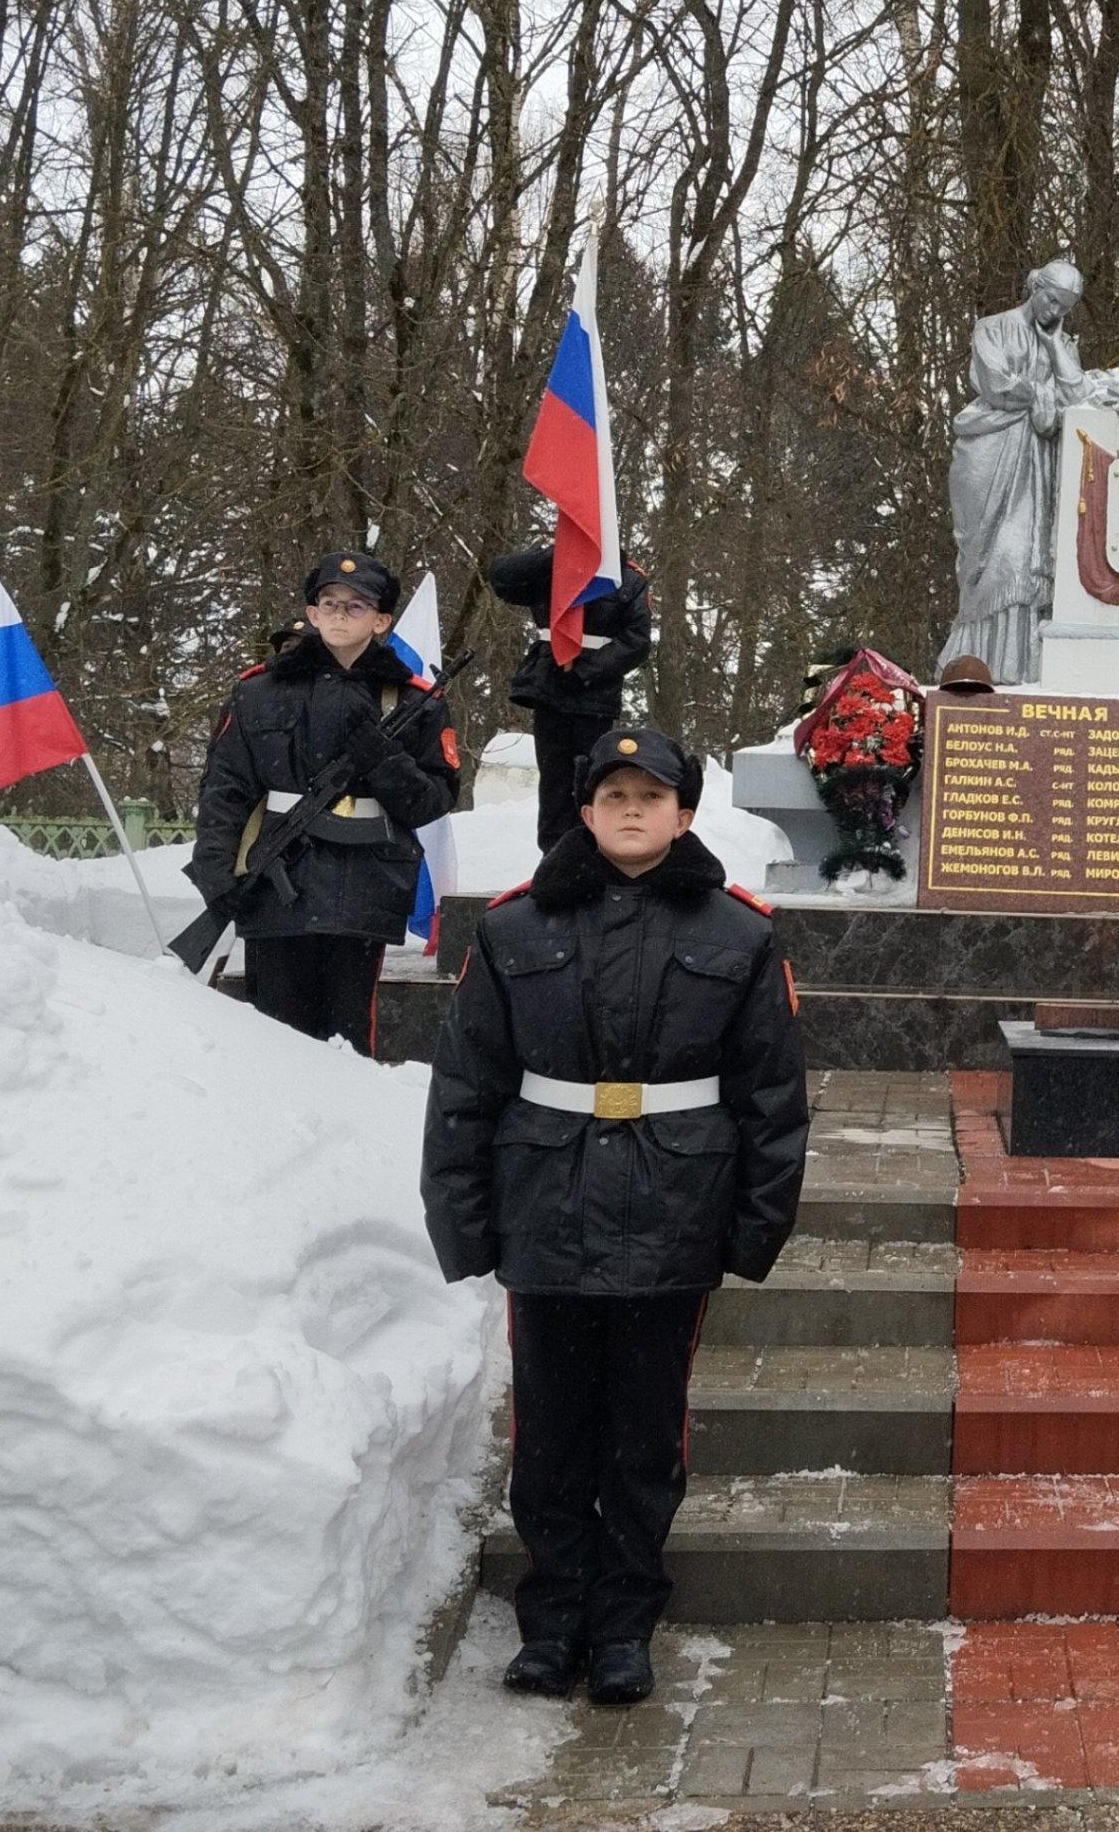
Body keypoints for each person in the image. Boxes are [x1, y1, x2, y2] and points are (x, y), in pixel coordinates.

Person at [420, 726, 810, 1707]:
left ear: (684, 813)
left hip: (674, 1209)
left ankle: (626, 1621)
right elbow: (466, 1087)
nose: (632, 809)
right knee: (550, 1433)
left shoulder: (740, 932)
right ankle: (551, 1622)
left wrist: (755, 1227)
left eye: (652, 793)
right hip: (545, 1207)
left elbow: (773, 1098)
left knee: (644, 1435)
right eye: (614, 793)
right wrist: (463, 1220)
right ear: (584, 811)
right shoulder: (514, 930)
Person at [189, 550, 459, 1048]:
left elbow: (433, 802)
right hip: (278, 876)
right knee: (274, 1034)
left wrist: (385, 762)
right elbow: (226, 790)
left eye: (355, 607)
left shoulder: (414, 700)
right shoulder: (260, 691)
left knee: (350, 1038)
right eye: (329, 603)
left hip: (368, 885)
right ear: (312, 614)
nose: (339, 614)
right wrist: (215, 870)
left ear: (381, 621)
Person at [943, 257, 1085, 684]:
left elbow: (1077, 396)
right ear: (1035, 288)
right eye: (1051, 299)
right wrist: (1043, 395)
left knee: (1022, 555)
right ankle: (971, 658)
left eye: (1063, 307)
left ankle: (1019, 662)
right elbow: (997, 384)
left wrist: (1057, 347)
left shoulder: (1062, 343)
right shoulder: (992, 327)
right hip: (987, 450)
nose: (1054, 311)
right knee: (981, 557)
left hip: (1034, 461)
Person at [483, 541, 655, 851]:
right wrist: (555, 555)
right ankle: (554, 856)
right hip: (549, 685)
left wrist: (585, 671)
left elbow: (637, 641)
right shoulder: (552, 567)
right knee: (554, 785)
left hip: (595, 696)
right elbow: (502, 578)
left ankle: (590, 854)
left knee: (591, 781)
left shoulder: (626, 579)